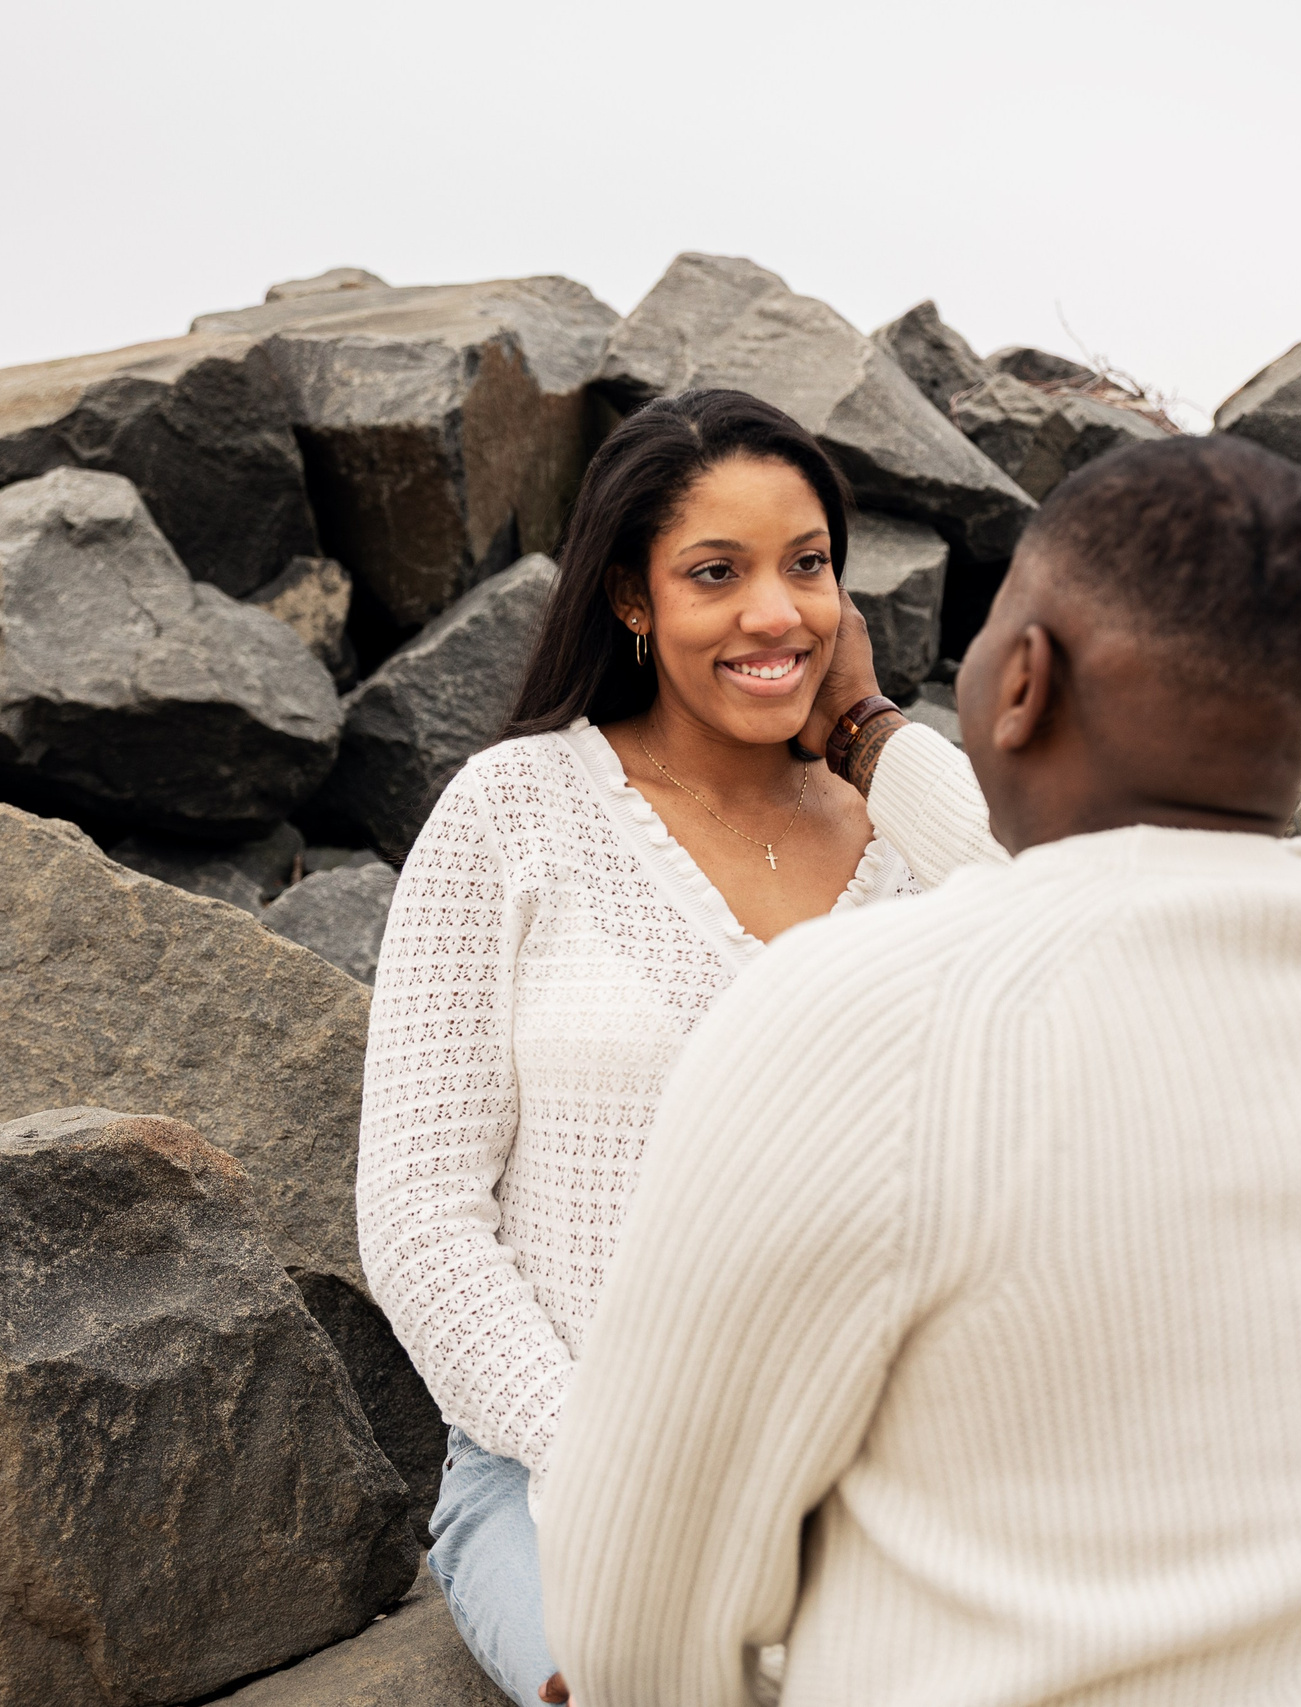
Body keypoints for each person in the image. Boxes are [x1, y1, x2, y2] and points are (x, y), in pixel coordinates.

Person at [539, 434, 1301, 1707]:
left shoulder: (860, 1023)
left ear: (1017, 680)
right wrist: (861, 729)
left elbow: (636, 1625)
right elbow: (1097, 892)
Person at [355, 388, 1000, 1707]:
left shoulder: (913, 846)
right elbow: (421, 1218)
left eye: (808, 565)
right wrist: (609, 1458)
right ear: (633, 601)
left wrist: (876, 733)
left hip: (876, 1481)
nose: (780, 614)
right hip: (562, 1474)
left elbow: (1077, 971)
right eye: (719, 572)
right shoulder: (514, 814)